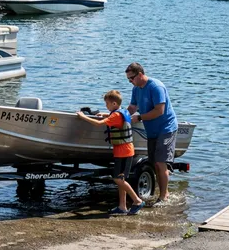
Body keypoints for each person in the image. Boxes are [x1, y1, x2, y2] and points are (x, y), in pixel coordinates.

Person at [76, 90, 145, 215]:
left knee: (118, 179)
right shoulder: (121, 112)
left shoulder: (115, 115)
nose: (106, 106)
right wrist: (105, 114)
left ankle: (137, 200)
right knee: (121, 180)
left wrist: (82, 116)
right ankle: (122, 206)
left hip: (124, 152)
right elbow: (112, 118)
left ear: (114, 103)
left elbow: (98, 124)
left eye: (107, 104)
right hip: (124, 151)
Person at [126, 62, 178, 203]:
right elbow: (132, 107)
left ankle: (163, 196)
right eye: (128, 79)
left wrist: (140, 117)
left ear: (140, 74)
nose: (130, 81)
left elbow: (159, 110)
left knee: (161, 162)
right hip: (152, 130)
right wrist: (120, 115)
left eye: (131, 78)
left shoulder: (156, 87)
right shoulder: (136, 89)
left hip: (166, 128)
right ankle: (162, 192)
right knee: (154, 163)